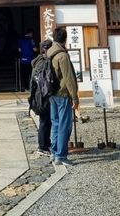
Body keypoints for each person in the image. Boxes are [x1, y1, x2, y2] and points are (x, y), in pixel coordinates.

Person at [47, 27, 79, 167]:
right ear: (65, 39)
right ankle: (61, 155)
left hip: (51, 93)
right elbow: (68, 78)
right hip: (62, 93)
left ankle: (54, 153)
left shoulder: (49, 51)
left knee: (55, 123)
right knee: (65, 126)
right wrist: (75, 97)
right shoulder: (62, 55)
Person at [28, 39, 53, 156]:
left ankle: (46, 144)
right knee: (45, 121)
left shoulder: (38, 61)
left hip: (38, 94)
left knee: (46, 121)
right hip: (43, 95)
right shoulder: (44, 62)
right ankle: (43, 146)